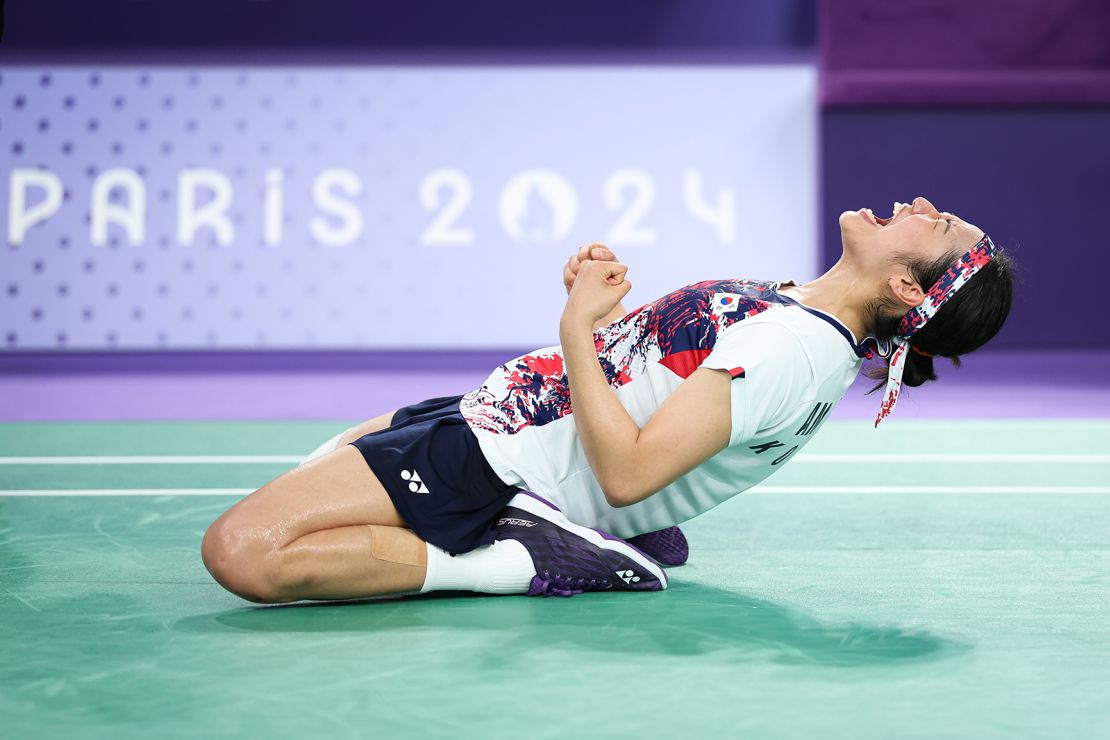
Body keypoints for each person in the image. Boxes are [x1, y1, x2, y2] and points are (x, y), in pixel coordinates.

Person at [201, 196, 1014, 604]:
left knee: (244, 551)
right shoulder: (802, 322)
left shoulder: (790, 350)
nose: (915, 202)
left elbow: (628, 472)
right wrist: (603, 312)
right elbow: (650, 380)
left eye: (933, 220)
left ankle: (521, 560)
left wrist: (576, 326)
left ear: (907, 285)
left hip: (504, 459)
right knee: (331, 455)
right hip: (501, 414)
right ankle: (560, 537)